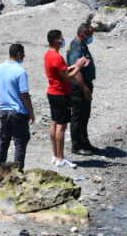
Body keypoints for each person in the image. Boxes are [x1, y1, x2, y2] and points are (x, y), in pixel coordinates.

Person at [44, 29, 88, 169]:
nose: (63, 40)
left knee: (54, 122)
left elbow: (62, 71)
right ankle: (60, 157)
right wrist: (79, 66)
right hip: (59, 93)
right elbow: (68, 76)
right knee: (61, 126)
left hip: (52, 92)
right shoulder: (56, 57)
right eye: (61, 38)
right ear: (56, 40)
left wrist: (74, 65)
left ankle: (55, 155)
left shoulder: (49, 54)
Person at [0, 43, 35, 172]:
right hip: (18, 112)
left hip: (4, 110)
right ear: (18, 54)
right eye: (23, 53)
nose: (24, 56)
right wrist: (31, 112)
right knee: (20, 142)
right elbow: (25, 95)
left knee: (4, 141)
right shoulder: (20, 71)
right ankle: (17, 172)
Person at [64, 20, 99, 155]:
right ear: (83, 34)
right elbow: (75, 71)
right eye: (90, 34)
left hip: (85, 84)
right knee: (78, 115)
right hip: (79, 86)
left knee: (85, 115)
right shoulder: (76, 47)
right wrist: (85, 89)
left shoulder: (82, 45)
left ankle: (85, 142)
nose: (91, 37)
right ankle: (77, 145)